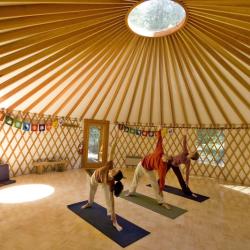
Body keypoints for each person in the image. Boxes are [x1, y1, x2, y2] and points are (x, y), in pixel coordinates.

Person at [81, 141, 125, 231]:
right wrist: (115, 142)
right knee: (92, 189)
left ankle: (112, 218)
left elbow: (112, 201)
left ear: (113, 176)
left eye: (115, 171)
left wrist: (115, 219)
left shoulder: (111, 183)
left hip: (104, 183)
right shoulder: (110, 166)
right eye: (115, 169)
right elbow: (112, 152)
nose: (114, 169)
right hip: (95, 176)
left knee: (108, 198)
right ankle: (89, 203)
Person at [126, 128, 170, 209]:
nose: (164, 158)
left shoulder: (163, 167)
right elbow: (160, 140)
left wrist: (161, 188)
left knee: (154, 184)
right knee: (135, 177)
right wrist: (159, 130)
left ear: (166, 161)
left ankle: (161, 202)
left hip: (148, 170)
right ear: (164, 155)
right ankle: (131, 192)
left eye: (166, 159)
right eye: (165, 156)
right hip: (142, 163)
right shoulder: (160, 151)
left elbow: (162, 178)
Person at [166, 131, 200, 196]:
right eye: (193, 152)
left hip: (175, 166)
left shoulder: (188, 162)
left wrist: (187, 181)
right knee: (164, 173)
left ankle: (186, 191)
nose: (192, 152)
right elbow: (184, 143)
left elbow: (187, 172)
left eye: (193, 153)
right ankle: (158, 183)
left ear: (193, 156)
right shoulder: (185, 152)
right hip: (170, 161)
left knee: (180, 178)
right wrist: (184, 135)